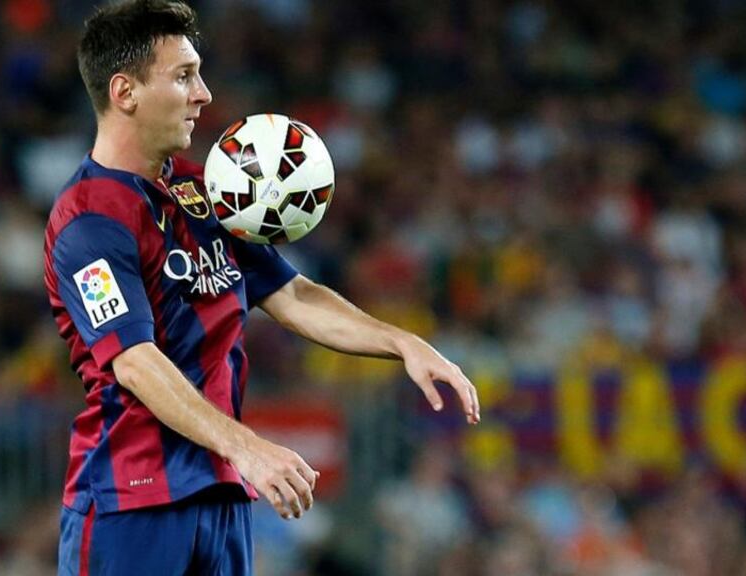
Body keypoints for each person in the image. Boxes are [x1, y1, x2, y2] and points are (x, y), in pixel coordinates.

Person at [44, 1, 480, 574]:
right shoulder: (88, 220)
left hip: (221, 495)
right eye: (183, 76)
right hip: (133, 499)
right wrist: (249, 446)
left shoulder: (207, 192)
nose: (203, 93)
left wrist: (402, 343)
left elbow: (293, 295)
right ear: (125, 92)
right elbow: (135, 363)